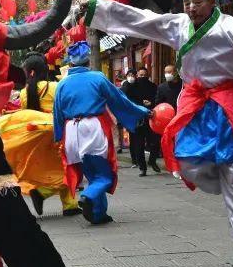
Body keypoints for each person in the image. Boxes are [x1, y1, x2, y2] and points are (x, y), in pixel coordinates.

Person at [83, 0, 233, 267]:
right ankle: (223, 183)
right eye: (187, 2)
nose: (191, 8)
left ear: (212, 2)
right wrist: (98, 8)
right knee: (188, 161)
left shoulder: (228, 26)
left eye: (197, 1)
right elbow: (143, 20)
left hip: (227, 104)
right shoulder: (178, 25)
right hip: (195, 101)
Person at [53, 42, 151, 225]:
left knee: (91, 174)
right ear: (88, 61)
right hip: (93, 128)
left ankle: (98, 214)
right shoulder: (97, 78)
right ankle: (88, 197)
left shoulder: (63, 84)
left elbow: (57, 113)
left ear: (71, 63)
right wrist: (142, 111)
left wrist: (59, 137)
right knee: (105, 174)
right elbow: (119, 100)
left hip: (71, 131)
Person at [15, 52, 80, 217]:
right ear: (45, 69)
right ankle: (44, 193)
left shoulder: (24, 92)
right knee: (66, 166)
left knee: (51, 167)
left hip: (35, 133)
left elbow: (25, 114)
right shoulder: (55, 86)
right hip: (56, 130)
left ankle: (70, 204)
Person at [125, 67, 160, 176]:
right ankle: (142, 168)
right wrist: (141, 103)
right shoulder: (131, 87)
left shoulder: (153, 86)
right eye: (140, 75)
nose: (142, 77)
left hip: (151, 119)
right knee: (138, 146)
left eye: (145, 75)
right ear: (137, 76)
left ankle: (152, 161)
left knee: (155, 142)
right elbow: (128, 102)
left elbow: (157, 99)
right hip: (137, 120)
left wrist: (151, 104)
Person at [119, 71, 137, 164]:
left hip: (137, 115)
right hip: (127, 116)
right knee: (130, 138)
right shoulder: (123, 88)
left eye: (132, 75)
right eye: (129, 76)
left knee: (136, 138)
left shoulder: (138, 87)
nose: (131, 77)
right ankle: (134, 159)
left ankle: (137, 158)